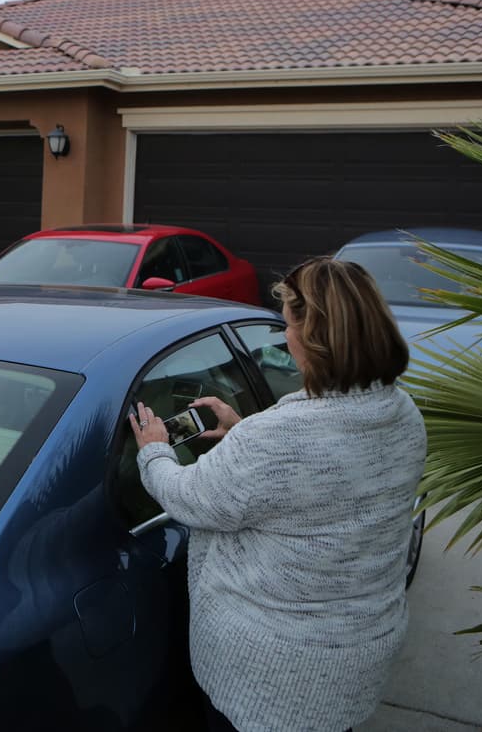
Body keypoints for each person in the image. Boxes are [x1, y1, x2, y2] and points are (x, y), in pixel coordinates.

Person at [128, 256, 427, 732]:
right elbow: (326, 478)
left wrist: (154, 451)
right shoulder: (401, 412)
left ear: (312, 335)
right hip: (359, 655)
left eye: (288, 323)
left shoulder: (279, 438)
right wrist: (242, 430)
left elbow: (190, 498)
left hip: (273, 679)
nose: (284, 337)